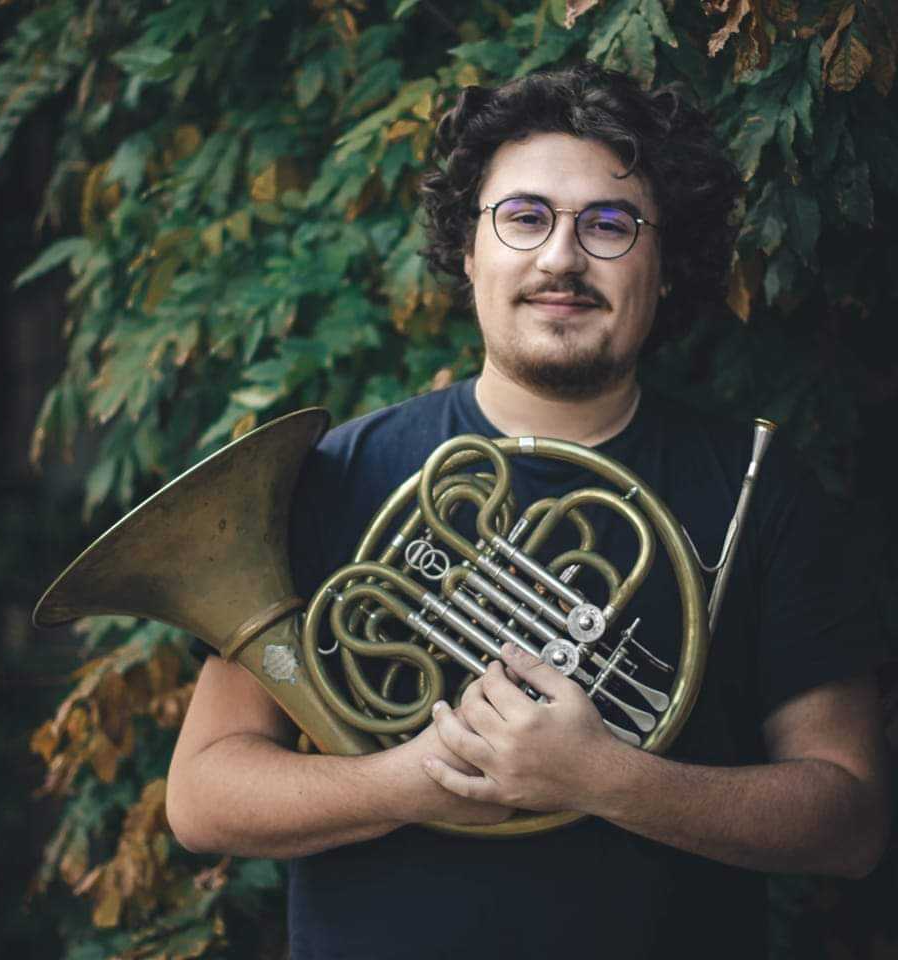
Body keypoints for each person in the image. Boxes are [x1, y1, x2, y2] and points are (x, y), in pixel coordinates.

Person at [165, 64, 890, 958]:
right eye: (524, 216)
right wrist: (416, 778)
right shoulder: (330, 477)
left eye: (610, 225)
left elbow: (848, 820)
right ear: (468, 251)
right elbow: (202, 796)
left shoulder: (758, 491)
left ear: (665, 267)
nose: (560, 258)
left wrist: (600, 776)